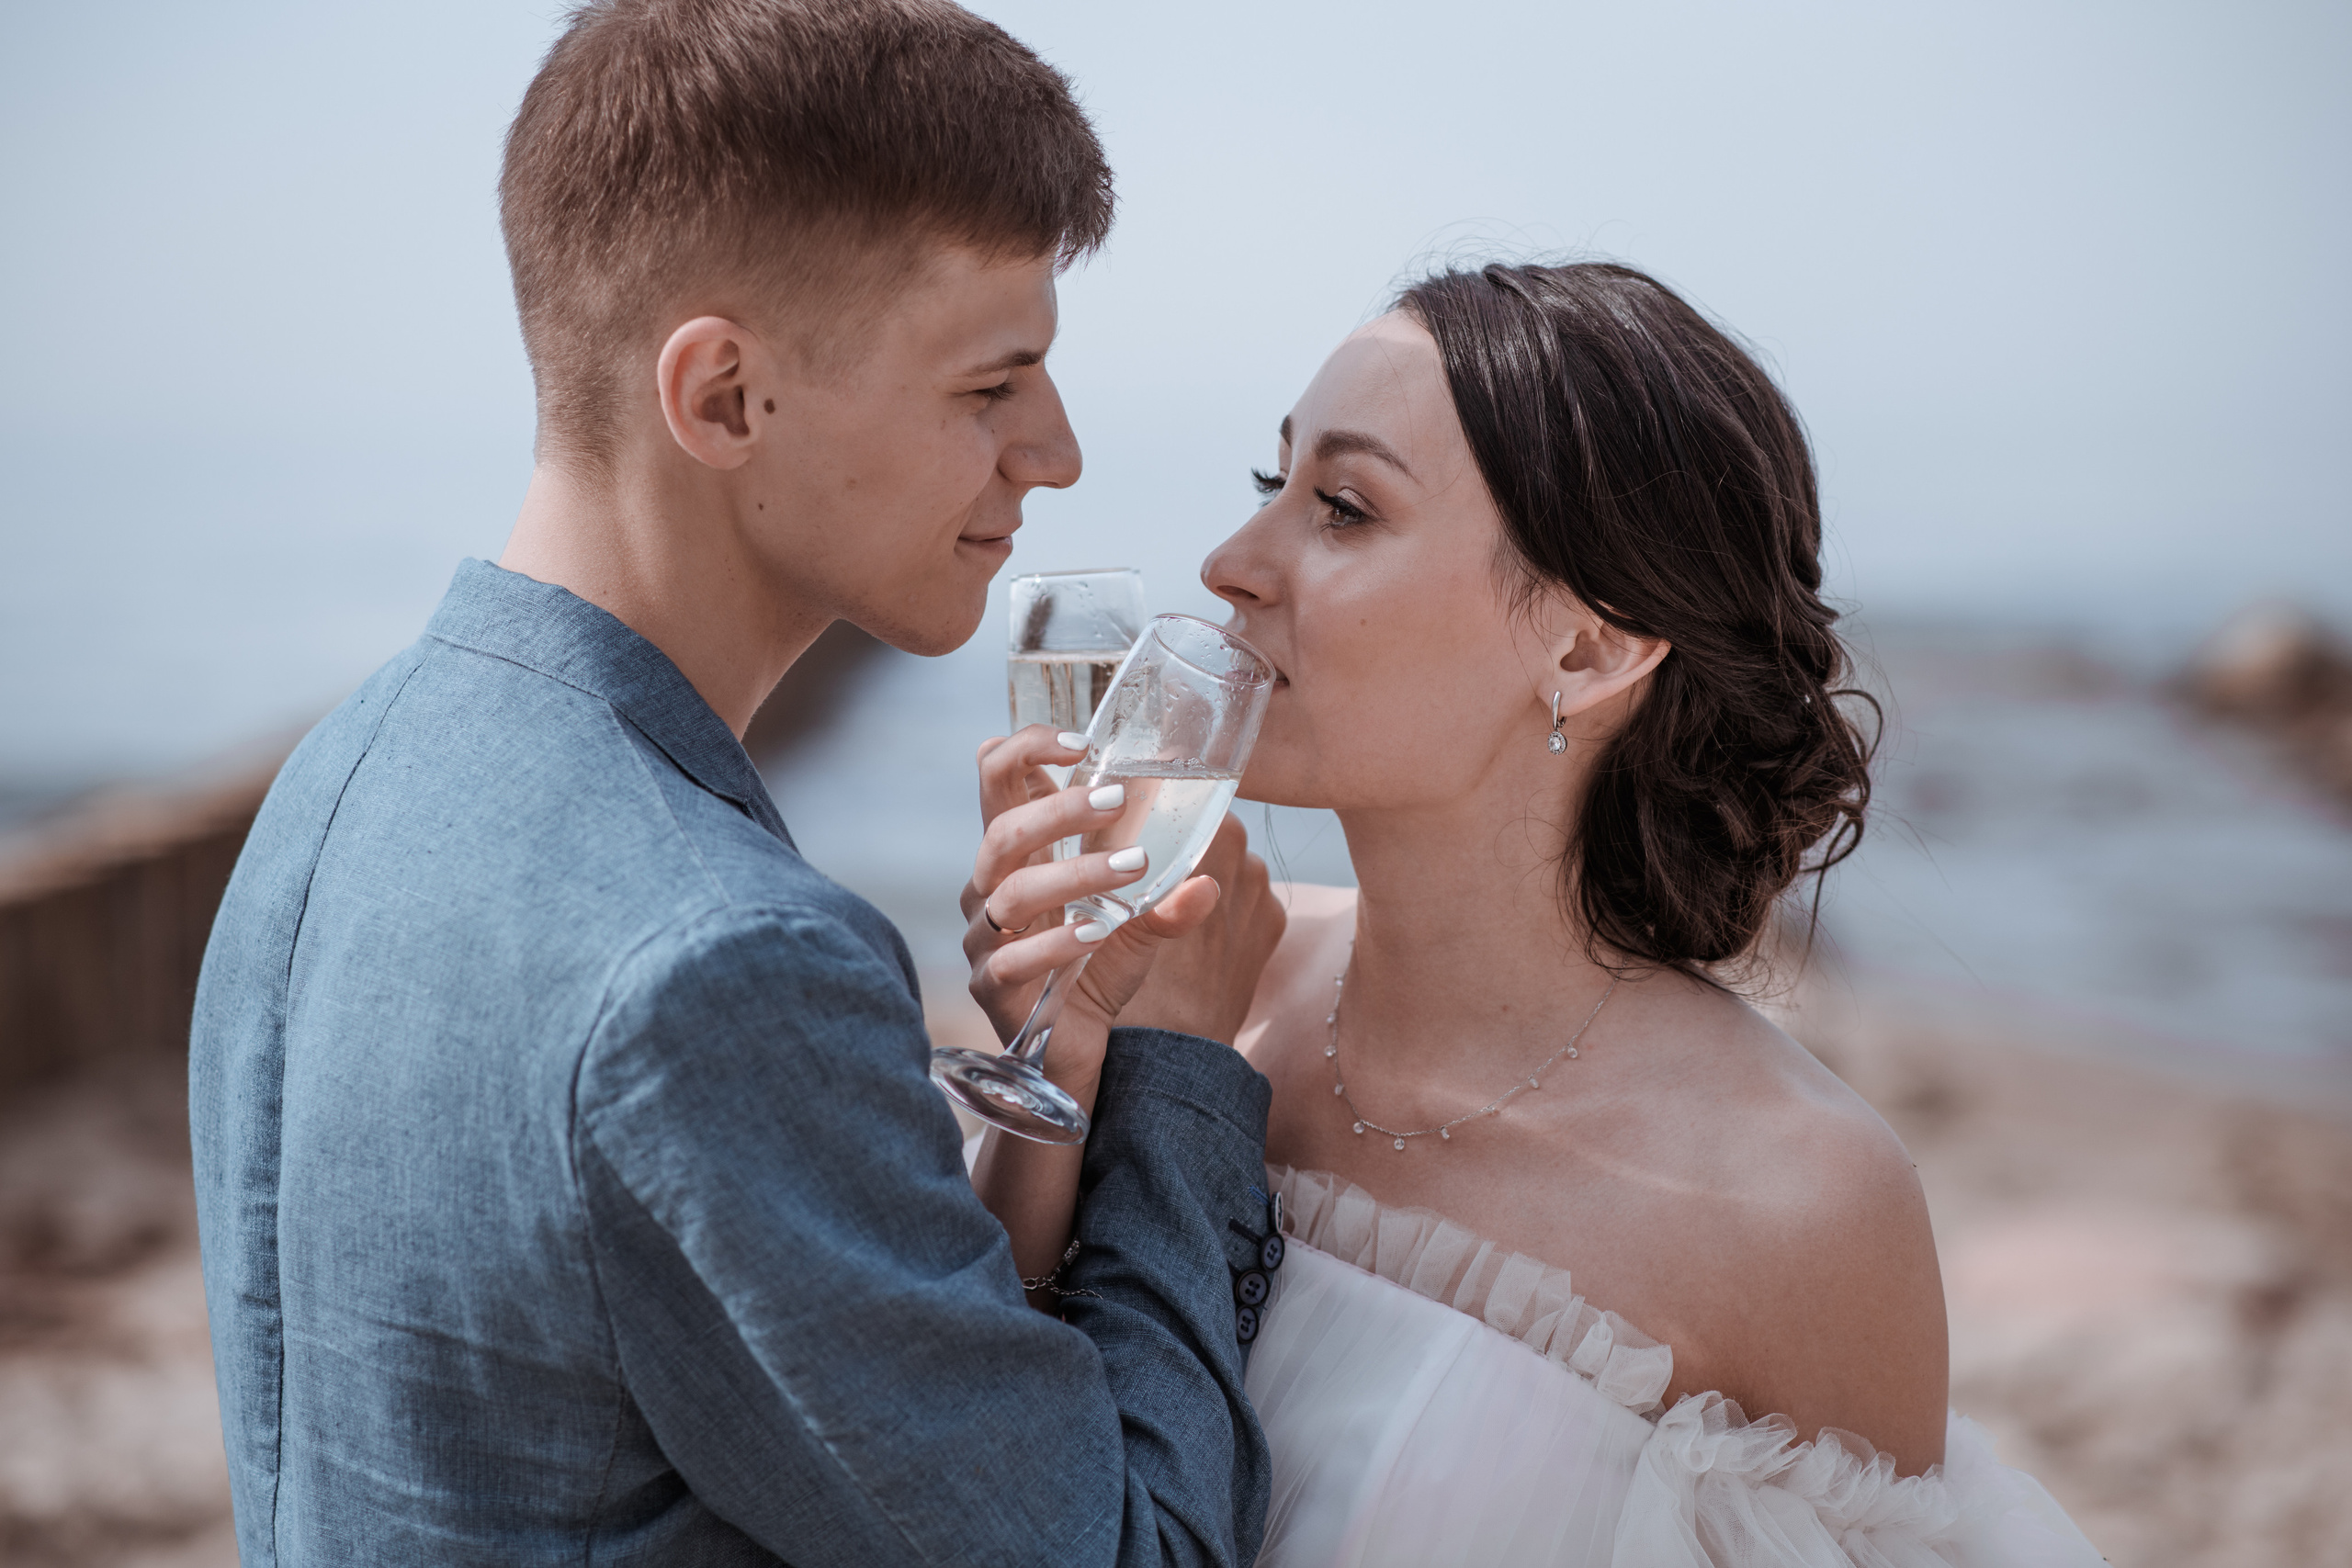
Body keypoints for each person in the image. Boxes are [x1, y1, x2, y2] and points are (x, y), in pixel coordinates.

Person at [187, 3, 1286, 1563]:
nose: (1058, 451)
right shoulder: (725, 965)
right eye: (994, 384)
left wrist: (1065, 1073)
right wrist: (1184, 1067)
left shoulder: (340, 778)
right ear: (721, 399)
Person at [965, 262, 2109, 1565]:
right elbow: (986, 1455)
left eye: (1341, 507)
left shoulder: (1798, 1208)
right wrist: (1050, 1066)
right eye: (1265, 486)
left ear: (1588, 650)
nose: (1232, 566)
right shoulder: (1200, 985)